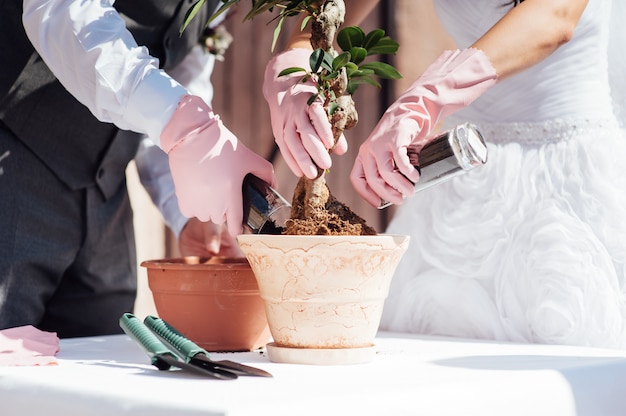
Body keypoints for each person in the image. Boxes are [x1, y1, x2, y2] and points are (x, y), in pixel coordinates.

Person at [265, 0, 626, 349]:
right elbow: (318, 22)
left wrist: (432, 94)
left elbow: (555, 16)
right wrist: (296, 68)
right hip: (468, 178)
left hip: (571, 180)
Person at [0, 0, 275, 338]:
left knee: (99, 371)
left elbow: (176, 81)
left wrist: (187, 214)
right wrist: (186, 128)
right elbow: (63, 12)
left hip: (108, 204)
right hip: (13, 172)